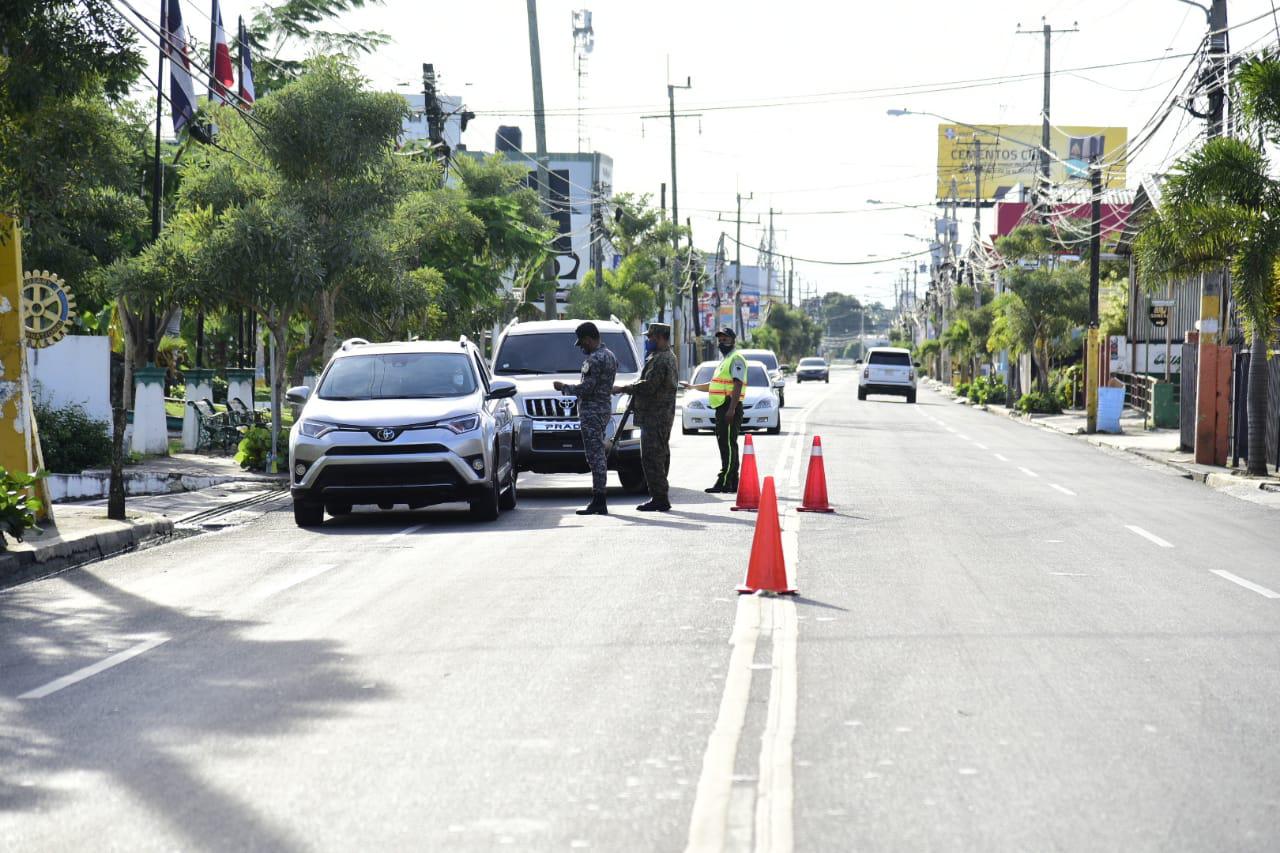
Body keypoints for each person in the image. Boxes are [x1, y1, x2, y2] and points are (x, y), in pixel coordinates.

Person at [554, 321, 618, 515]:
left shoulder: (594, 359)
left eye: (582, 342)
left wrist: (564, 387)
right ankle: (599, 498)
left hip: (592, 411)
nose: (581, 346)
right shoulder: (610, 356)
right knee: (598, 454)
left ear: (590, 339)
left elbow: (587, 388)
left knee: (595, 456)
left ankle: (599, 499)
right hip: (604, 409)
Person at [615, 323, 677, 512]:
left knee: (652, 457)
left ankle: (659, 497)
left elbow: (649, 386)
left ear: (659, 337)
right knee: (657, 455)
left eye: (651, 337)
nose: (648, 341)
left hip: (656, 416)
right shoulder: (662, 357)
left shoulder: (661, 359)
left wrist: (624, 388)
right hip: (657, 415)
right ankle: (659, 495)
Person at [682, 326, 747, 493]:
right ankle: (732, 481)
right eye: (720, 339)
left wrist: (731, 409)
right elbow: (714, 385)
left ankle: (725, 480)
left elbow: (738, 384)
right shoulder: (724, 361)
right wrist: (693, 386)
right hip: (721, 406)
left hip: (729, 405)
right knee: (724, 444)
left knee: (729, 445)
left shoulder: (736, 358)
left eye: (725, 338)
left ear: (733, 340)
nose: (722, 341)